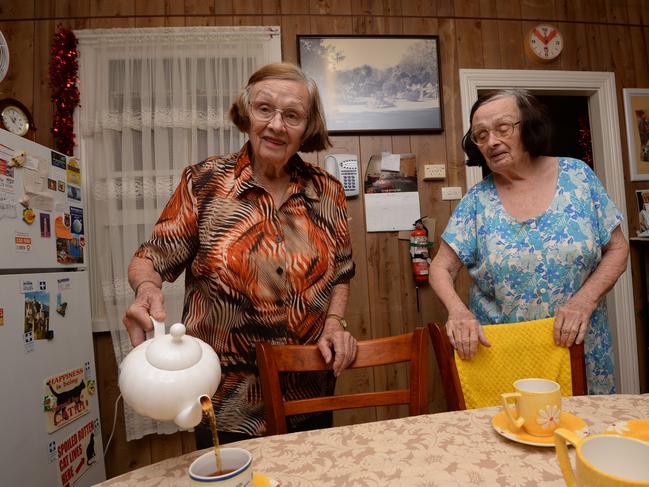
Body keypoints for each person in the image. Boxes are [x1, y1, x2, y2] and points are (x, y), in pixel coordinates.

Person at [122, 62, 358, 445]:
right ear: (246, 113)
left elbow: (342, 273)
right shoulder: (204, 182)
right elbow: (152, 257)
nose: (277, 125)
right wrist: (146, 288)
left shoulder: (326, 190)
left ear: (308, 126)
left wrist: (334, 323)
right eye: (265, 109)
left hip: (309, 390)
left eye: (293, 115)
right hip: (225, 396)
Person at [428, 89, 629, 395]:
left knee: (583, 434)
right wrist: (458, 312)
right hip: (505, 352)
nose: (491, 141)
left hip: (577, 346)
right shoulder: (476, 201)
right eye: (481, 135)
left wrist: (584, 301)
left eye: (503, 129)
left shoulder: (578, 177)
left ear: (529, 126)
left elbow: (617, 248)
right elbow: (440, 267)